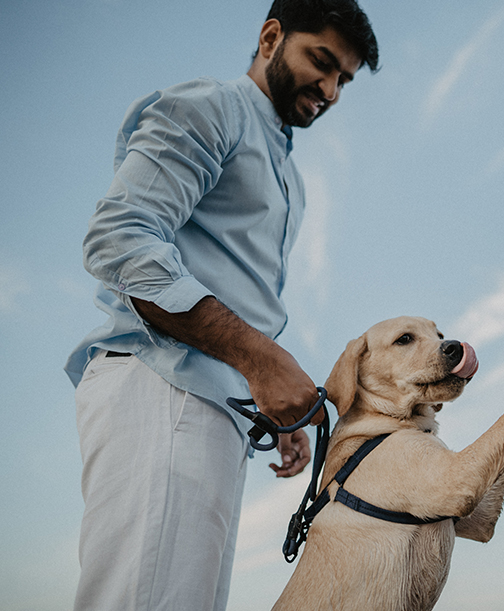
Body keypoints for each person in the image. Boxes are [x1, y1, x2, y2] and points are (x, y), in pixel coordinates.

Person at [64, 1, 379, 608]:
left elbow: (239, 292)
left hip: (219, 414)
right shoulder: (211, 107)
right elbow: (120, 237)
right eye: (323, 61)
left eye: (345, 78)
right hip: (163, 389)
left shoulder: (293, 177)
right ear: (270, 37)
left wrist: (270, 405)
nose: (332, 89)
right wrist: (262, 362)